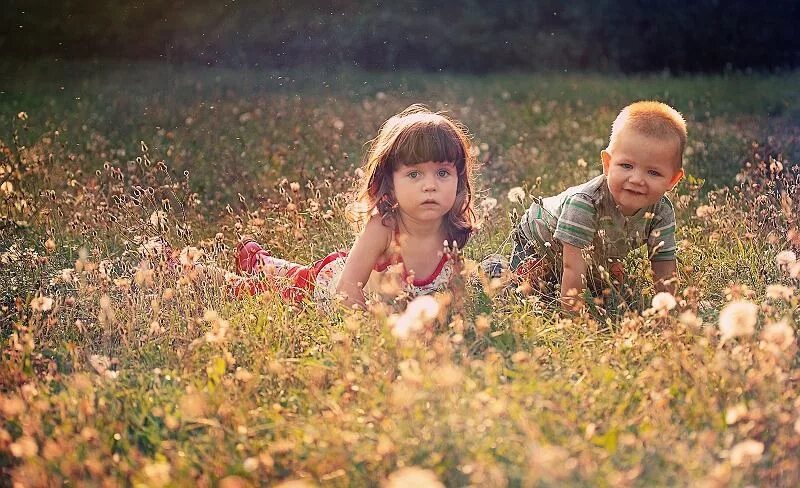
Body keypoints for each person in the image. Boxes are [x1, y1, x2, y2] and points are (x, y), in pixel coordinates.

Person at [228, 104, 477, 309]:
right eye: (414, 175)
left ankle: (257, 260)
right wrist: (364, 330)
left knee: (284, 273)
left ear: (459, 179)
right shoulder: (384, 227)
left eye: (443, 173)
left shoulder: (451, 228)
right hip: (326, 288)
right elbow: (346, 290)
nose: (430, 185)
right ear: (390, 183)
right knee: (271, 289)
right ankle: (222, 273)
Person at [509, 100, 686, 311]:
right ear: (608, 164)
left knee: (610, 291)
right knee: (526, 288)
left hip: (590, 247)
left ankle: (601, 266)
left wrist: (669, 314)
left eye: (654, 172)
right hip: (538, 240)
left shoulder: (662, 210)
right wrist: (572, 321)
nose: (637, 179)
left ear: (673, 180)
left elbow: (664, 266)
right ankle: (495, 268)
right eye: (626, 165)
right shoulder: (586, 204)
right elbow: (572, 267)